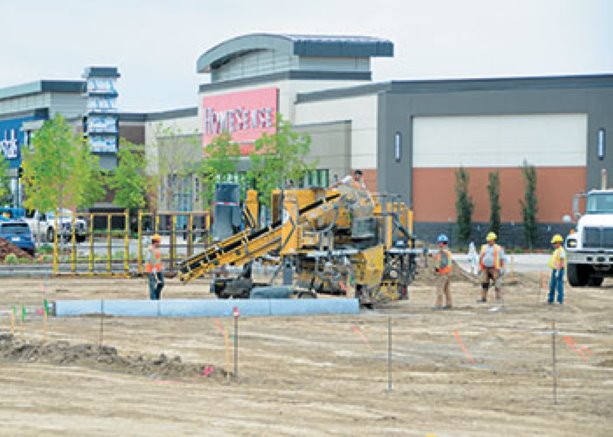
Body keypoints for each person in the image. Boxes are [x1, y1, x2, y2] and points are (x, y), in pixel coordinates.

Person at [478, 232, 506, 303]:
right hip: (485, 268)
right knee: (484, 284)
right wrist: (479, 268)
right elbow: (480, 257)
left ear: (493, 240)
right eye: (488, 240)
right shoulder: (484, 247)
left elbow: (502, 259)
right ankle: (483, 298)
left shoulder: (498, 248)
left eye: (490, 240)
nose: (488, 241)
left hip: (495, 269)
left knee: (497, 283)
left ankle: (499, 298)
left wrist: (502, 268)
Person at [433, 233, 453, 309]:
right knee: (447, 290)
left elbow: (442, 263)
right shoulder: (447, 252)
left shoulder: (443, 253)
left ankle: (438, 305)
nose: (439, 244)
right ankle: (449, 304)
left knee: (439, 290)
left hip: (443, 274)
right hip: (448, 273)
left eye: (440, 243)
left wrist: (437, 269)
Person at [548, 234, 566, 305]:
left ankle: (559, 300)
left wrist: (558, 270)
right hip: (555, 269)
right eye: (553, 243)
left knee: (559, 285)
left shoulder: (561, 251)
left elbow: (561, 261)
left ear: (559, 242)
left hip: (559, 270)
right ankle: (550, 299)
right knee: (552, 284)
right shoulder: (556, 250)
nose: (554, 244)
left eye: (555, 243)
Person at [145, 234, 164, 300]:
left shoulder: (157, 249)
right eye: (159, 242)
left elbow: (157, 259)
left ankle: (157, 297)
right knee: (152, 285)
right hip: (151, 270)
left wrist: (161, 266)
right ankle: (153, 299)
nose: (160, 243)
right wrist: (153, 268)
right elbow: (149, 259)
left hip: (158, 270)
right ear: (156, 242)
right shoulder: (150, 249)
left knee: (161, 283)